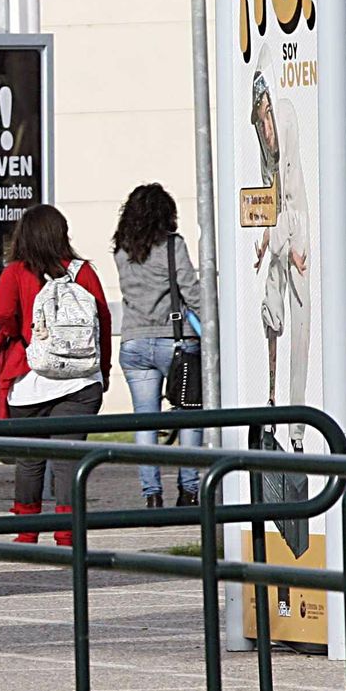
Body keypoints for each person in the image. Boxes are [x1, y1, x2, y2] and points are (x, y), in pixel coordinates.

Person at [0, 204, 113, 545]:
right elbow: (102, 320)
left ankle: (27, 533)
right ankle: (67, 534)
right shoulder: (82, 271)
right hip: (80, 381)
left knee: (29, 462)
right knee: (68, 460)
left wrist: (23, 334)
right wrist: (103, 369)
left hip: (31, 381)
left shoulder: (15, 272)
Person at [112, 183, 204, 508]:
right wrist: (211, 320)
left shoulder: (121, 250)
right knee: (188, 415)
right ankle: (189, 490)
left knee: (144, 420)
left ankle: (151, 495)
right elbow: (191, 291)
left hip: (134, 342)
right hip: (175, 341)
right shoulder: (172, 246)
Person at [250, 47, 310, 450]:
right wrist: (268, 239)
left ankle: (298, 426)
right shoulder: (264, 129)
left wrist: (287, 243)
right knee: (271, 312)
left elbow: (288, 186)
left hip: (298, 228)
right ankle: (272, 398)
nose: (265, 128)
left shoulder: (285, 114)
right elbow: (270, 187)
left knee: (301, 326)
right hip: (280, 230)